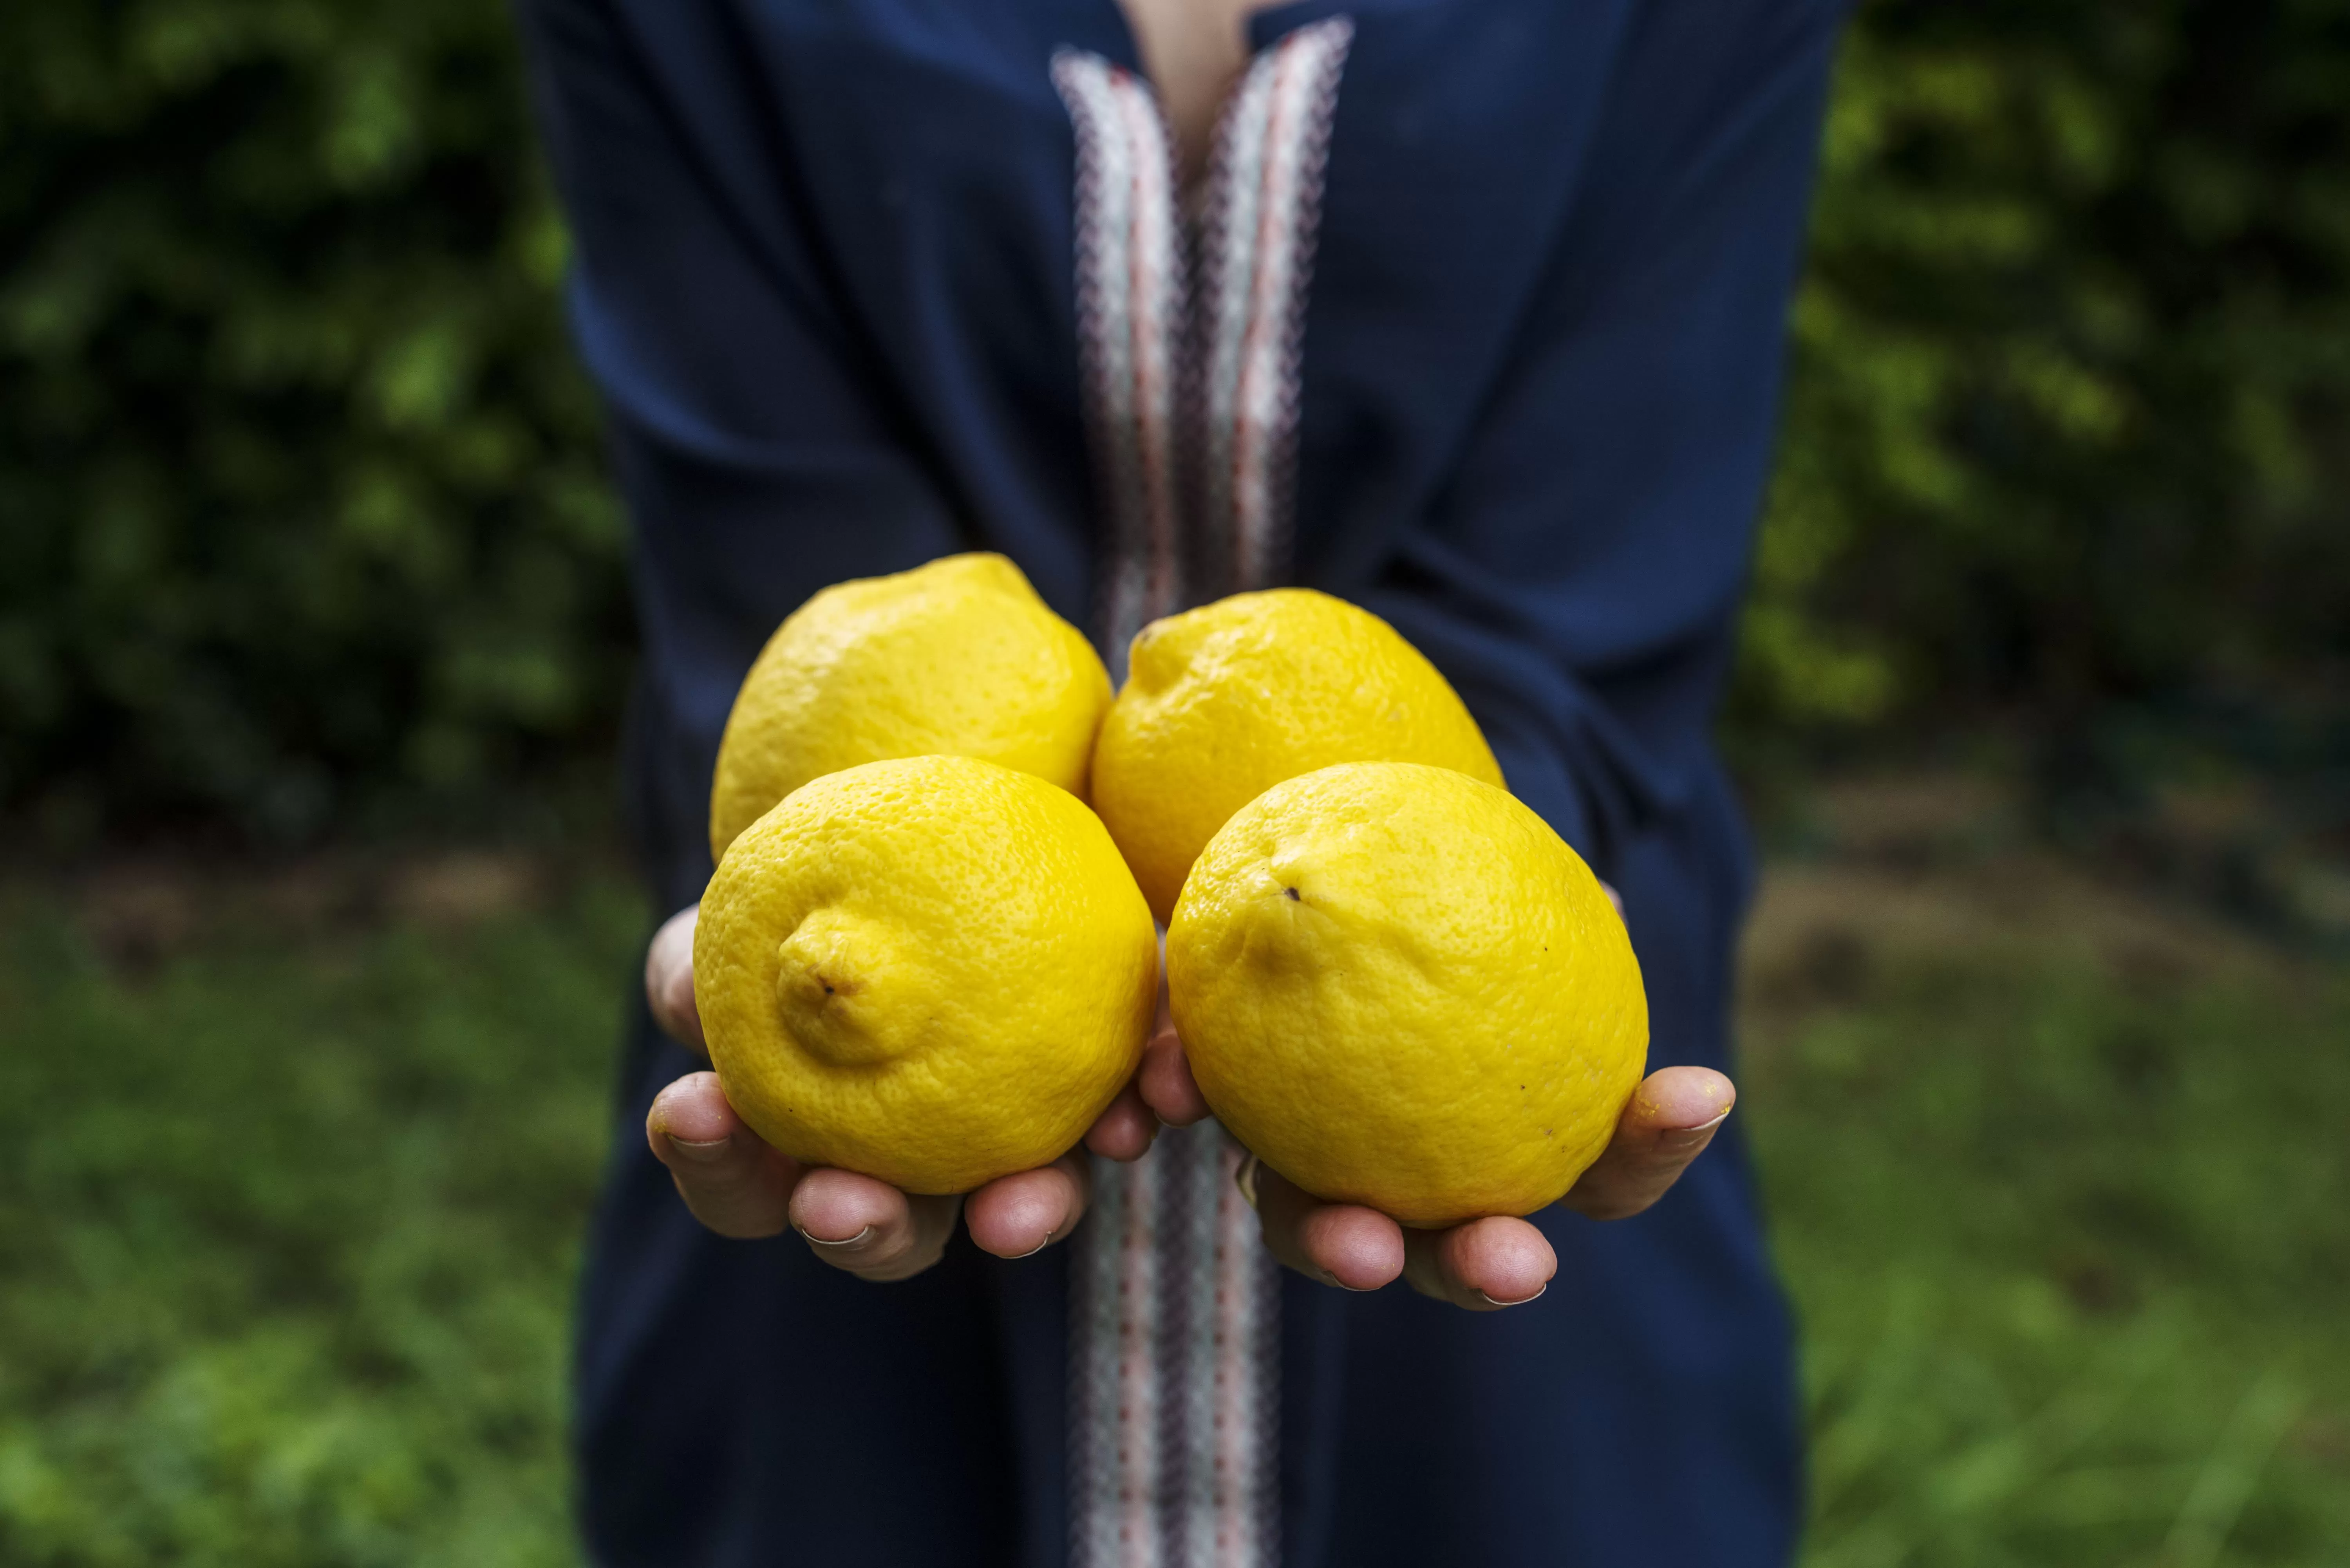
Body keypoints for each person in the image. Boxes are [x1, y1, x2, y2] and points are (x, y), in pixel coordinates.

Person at [519, 0, 1846, 1562]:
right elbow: (783, 595)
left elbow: (1594, 569)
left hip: (1492, 1184)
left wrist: (1451, 881)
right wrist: (862, 912)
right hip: (854, 1153)